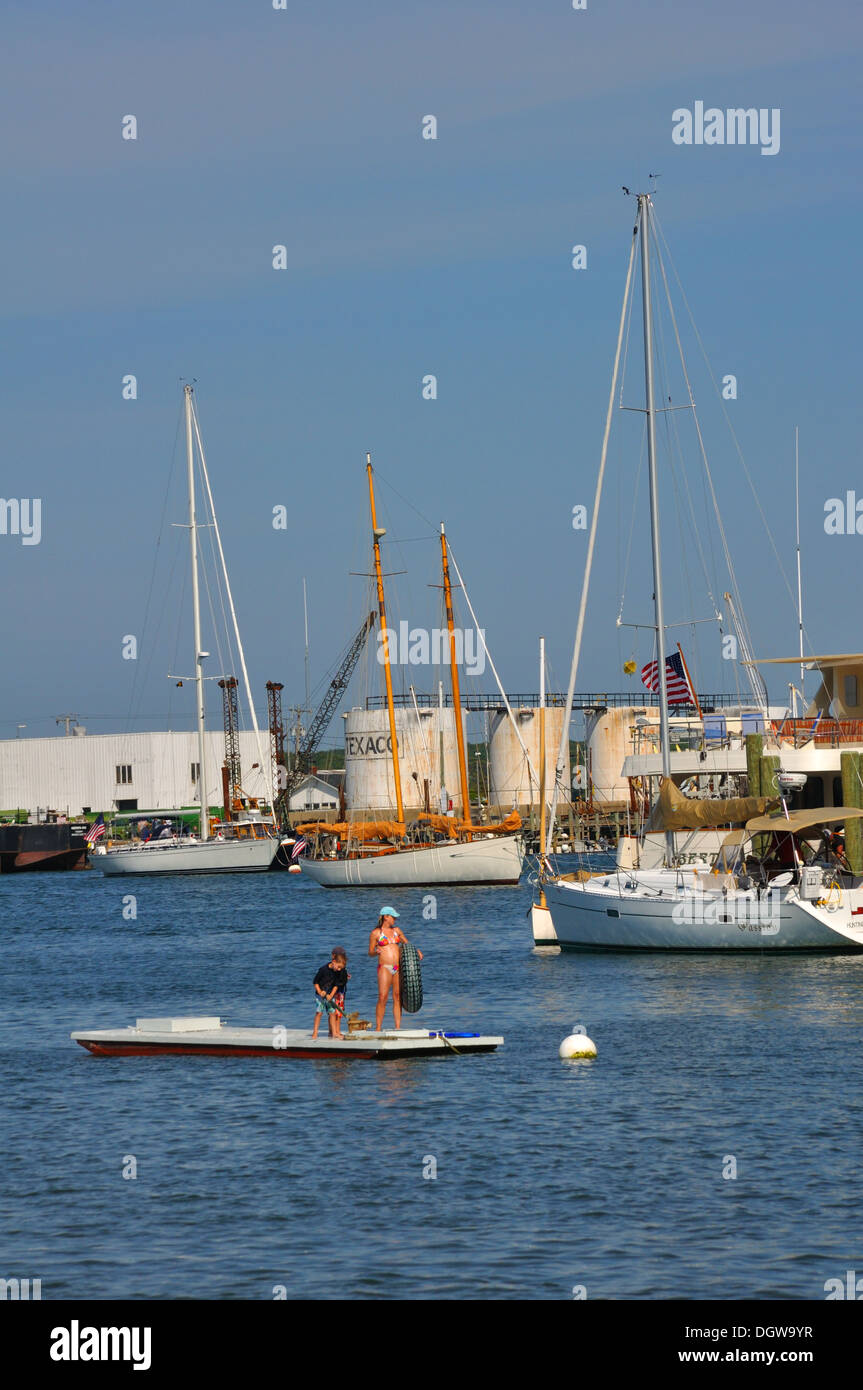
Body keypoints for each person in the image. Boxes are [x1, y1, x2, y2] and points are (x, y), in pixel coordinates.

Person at [368, 907, 422, 1031]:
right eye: (393, 917)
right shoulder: (376, 933)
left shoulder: (397, 930)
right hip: (385, 967)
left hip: (398, 967)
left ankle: (397, 1027)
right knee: (383, 996)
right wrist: (375, 951)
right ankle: (378, 1028)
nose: (395, 919)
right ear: (386, 916)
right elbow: (370, 952)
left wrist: (416, 951)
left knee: (397, 996)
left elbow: (407, 944)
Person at [312, 948, 350, 1040]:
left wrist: (331, 995)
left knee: (332, 1013)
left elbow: (336, 986)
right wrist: (320, 991)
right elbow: (315, 982)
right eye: (339, 967)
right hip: (320, 996)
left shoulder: (337, 972)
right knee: (319, 1013)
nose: (339, 969)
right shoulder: (323, 970)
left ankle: (334, 1033)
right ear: (333, 961)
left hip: (330, 996)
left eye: (341, 968)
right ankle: (315, 1032)